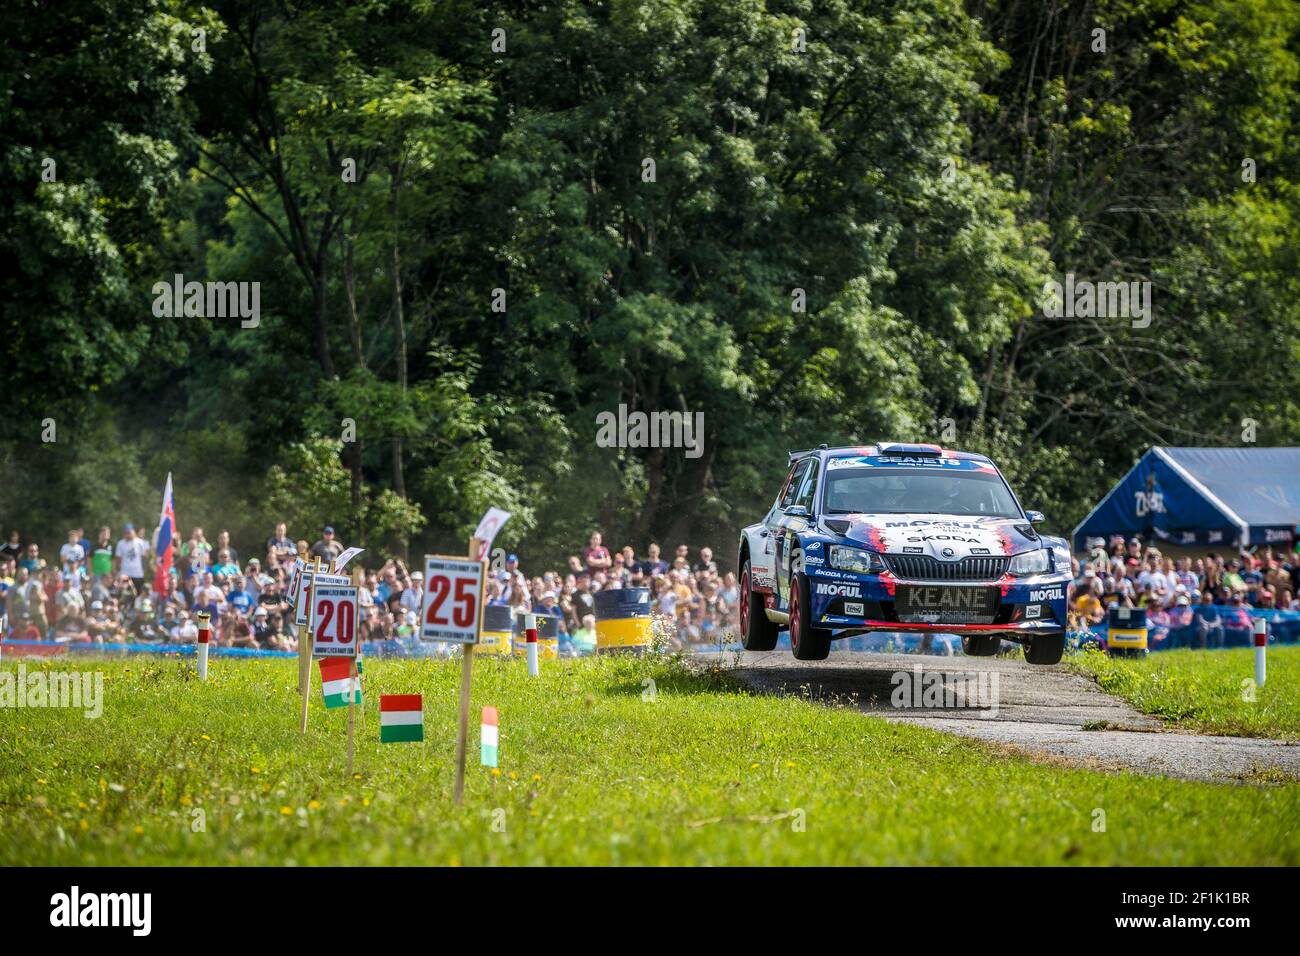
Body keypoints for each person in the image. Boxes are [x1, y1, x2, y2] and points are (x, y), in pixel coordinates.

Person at [114, 524, 151, 592]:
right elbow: (118, 559)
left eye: (129, 532)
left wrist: (144, 570)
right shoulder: (120, 543)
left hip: (137, 573)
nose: (127, 534)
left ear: (133, 532)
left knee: (138, 592)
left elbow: (144, 557)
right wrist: (117, 572)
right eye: (126, 533)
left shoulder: (140, 542)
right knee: (125, 593)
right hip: (125, 573)